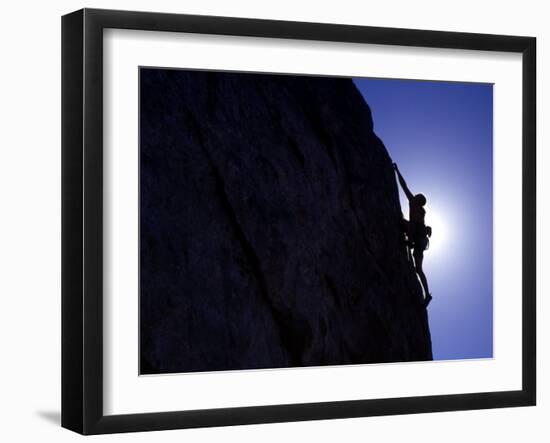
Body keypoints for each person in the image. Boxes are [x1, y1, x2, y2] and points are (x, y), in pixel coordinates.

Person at [393, 163, 432, 307]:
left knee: (402, 222)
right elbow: (404, 186)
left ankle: (408, 242)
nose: (414, 196)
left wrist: (397, 171)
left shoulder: (415, 205)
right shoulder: (419, 208)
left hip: (417, 238)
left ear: (419, 200)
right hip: (420, 241)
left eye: (417, 196)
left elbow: (404, 187)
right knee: (418, 269)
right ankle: (427, 294)